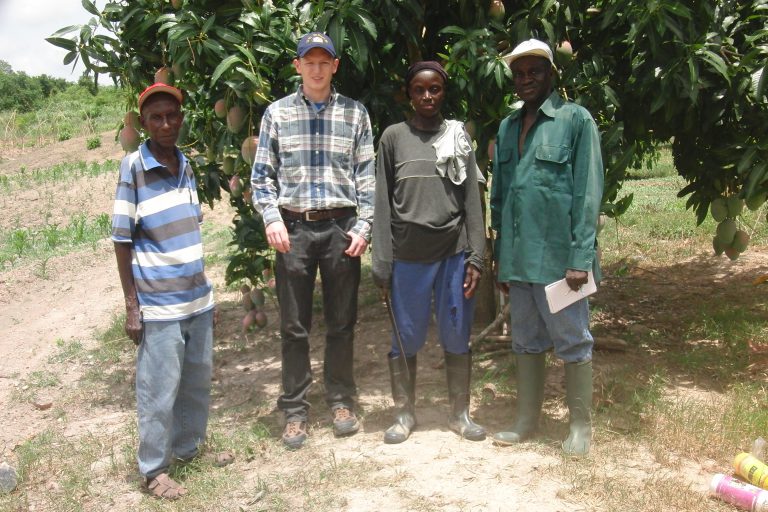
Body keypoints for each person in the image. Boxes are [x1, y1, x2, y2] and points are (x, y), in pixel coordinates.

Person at [250, 32, 375, 450]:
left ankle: (341, 401)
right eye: (310, 61)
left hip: (341, 229)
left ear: (335, 66)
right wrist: (272, 218)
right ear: (297, 65)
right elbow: (262, 176)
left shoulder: (356, 114)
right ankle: (296, 410)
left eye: (325, 61)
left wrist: (363, 225)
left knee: (342, 322)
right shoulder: (277, 115)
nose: (317, 68)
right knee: (293, 326)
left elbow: (366, 178)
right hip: (294, 230)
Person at [112, 83, 227, 500]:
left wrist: (206, 291)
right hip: (158, 303)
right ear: (143, 123)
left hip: (196, 297)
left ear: (181, 119)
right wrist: (131, 305)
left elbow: (190, 233)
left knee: (196, 382)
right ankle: (154, 470)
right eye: (156, 118)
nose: (166, 124)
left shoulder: (187, 164)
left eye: (172, 116)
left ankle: (189, 449)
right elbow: (122, 239)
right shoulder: (133, 167)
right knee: (158, 390)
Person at [489, 39, 604, 456]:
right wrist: (500, 256)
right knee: (526, 340)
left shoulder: (575, 120)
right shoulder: (506, 127)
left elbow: (588, 194)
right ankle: (526, 421)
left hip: (560, 259)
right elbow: (500, 197)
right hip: (519, 259)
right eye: (518, 74)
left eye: (534, 71)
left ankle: (579, 427)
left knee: (572, 339)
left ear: (551, 74)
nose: (525, 80)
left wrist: (580, 258)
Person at [372, 61, 486, 444]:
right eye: (419, 90)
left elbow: (472, 200)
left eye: (434, 89)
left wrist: (477, 256)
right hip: (408, 256)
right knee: (406, 335)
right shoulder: (392, 137)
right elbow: (383, 204)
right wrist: (382, 261)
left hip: (454, 252)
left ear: (443, 92)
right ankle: (404, 414)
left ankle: (459, 414)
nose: (427, 96)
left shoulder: (458, 137)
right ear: (408, 93)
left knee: (457, 332)